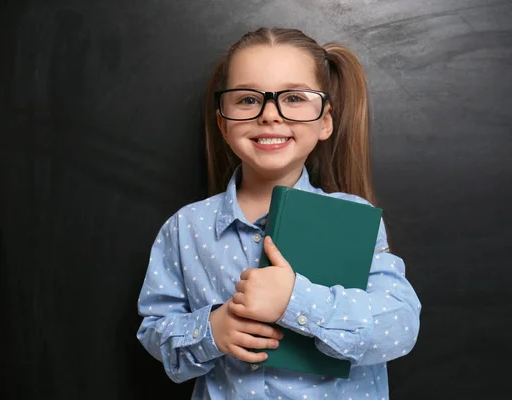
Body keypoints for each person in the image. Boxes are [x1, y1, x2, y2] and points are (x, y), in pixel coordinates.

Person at [136, 26, 421, 400]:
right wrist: (211, 330)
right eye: (248, 100)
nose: (270, 115)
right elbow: (156, 330)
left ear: (325, 121)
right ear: (223, 122)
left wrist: (295, 301)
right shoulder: (186, 227)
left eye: (294, 98)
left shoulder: (354, 220)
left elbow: (399, 327)